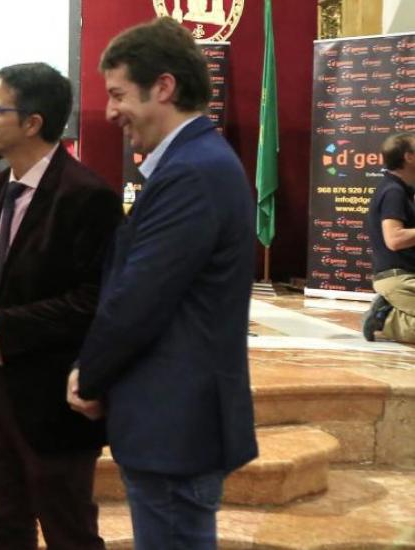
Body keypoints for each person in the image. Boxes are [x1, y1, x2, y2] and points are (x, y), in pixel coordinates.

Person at [66, 17, 258, 550]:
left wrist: (90, 374)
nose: (109, 112)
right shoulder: (193, 163)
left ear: (165, 87)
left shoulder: (192, 171)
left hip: (175, 420)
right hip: (171, 416)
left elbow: (140, 297)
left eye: (119, 93)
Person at [0, 63, 121, 549]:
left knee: (67, 527)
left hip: (53, 396)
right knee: (5, 521)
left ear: (32, 122)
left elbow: (96, 300)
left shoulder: (87, 195)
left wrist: (8, 327)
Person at [363, 132, 415, 342]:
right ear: (408, 157)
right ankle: (384, 317)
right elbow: (394, 239)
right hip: (399, 278)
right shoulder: (393, 191)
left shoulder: (402, 190)